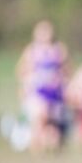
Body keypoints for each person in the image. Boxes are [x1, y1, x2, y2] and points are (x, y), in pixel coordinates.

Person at [17, 20, 68, 152]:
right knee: (40, 117)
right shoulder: (31, 50)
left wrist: (60, 80)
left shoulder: (59, 49)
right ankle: (36, 147)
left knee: (52, 127)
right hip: (37, 92)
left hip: (54, 94)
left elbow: (66, 70)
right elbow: (21, 71)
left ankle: (47, 146)